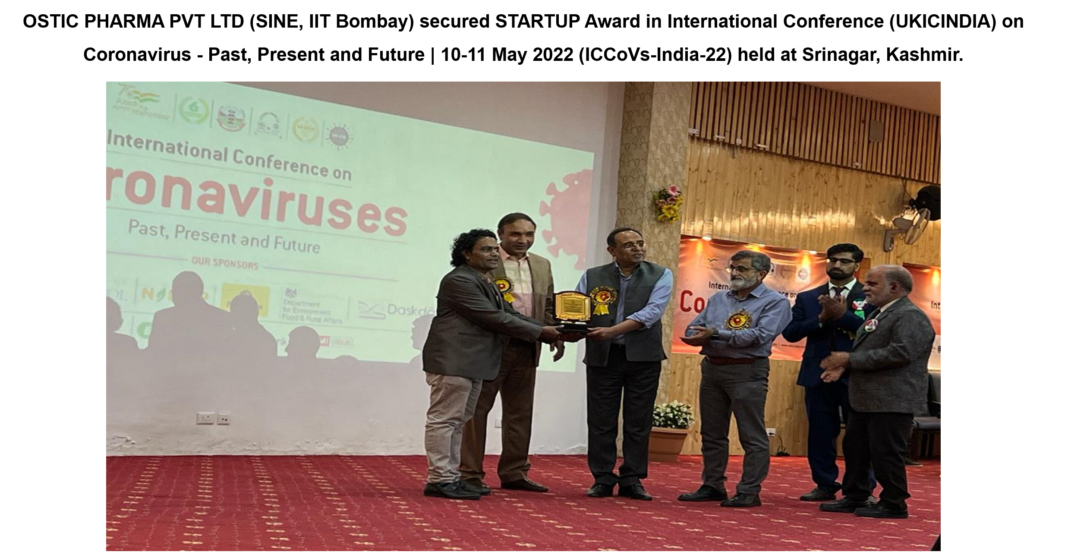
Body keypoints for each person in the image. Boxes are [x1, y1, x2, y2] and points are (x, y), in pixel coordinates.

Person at [422, 229, 565, 500]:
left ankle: (450, 476)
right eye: (486, 249)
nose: (494, 254)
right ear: (467, 254)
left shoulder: (483, 279)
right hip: (454, 361)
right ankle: (439, 478)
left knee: (457, 422)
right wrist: (542, 332)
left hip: (473, 362)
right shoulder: (459, 280)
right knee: (445, 421)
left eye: (494, 249)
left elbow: (509, 313)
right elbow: (493, 318)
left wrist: (556, 330)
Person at [818, 265, 935, 519]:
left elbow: (901, 353)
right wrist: (844, 368)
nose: (865, 288)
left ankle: (894, 503)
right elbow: (870, 351)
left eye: (872, 284)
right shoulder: (881, 313)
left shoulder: (910, 316)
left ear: (894, 287)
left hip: (893, 399)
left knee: (886, 453)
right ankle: (855, 496)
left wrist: (849, 359)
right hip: (867, 398)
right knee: (856, 450)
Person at [677, 250, 791, 508]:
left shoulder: (775, 302)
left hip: (747, 371)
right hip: (713, 368)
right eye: (733, 268)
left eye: (742, 269)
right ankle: (712, 485)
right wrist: (695, 335)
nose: (735, 273)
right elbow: (694, 326)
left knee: (751, 435)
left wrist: (716, 334)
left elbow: (761, 335)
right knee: (712, 432)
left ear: (761, 274)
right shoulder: (719, 298)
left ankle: (749, 491)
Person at [460, 213, 563, 494]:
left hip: (528, 345)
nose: (523, 240)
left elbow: (548, 304)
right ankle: (469, 474)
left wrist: (556, 333)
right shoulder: (486, 261)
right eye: (515, 234)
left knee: (520, 412)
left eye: (529, 234)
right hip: (490, 346)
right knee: (476, 412)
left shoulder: (542, 264)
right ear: (501, 235)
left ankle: (515, 472)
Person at [577, 227, 673, 500]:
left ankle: (632, 478)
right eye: (629, 245)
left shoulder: (661, 274)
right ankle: (602, 477)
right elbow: (578, 308)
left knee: (638, 421)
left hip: (643, 358)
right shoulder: (592, 275)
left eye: (640, 243)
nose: (637, 248)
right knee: (601, 420)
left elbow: (652, 312)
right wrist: (565, 332)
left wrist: (612, 331)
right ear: (612, 251)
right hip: (603, 356)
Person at [782, 243, 873, 501]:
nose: (837, 265)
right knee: (820, 432)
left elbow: (872, 331)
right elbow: (790, 333)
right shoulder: (808, 297)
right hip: (818, 373)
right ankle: (824, 484)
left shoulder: (869, 296)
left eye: (844, 261)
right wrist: (821, 318)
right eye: (832, 260)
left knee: (859, 434)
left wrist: (842, 316)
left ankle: (861, 488)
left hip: (856, 374)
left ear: (856, 265)